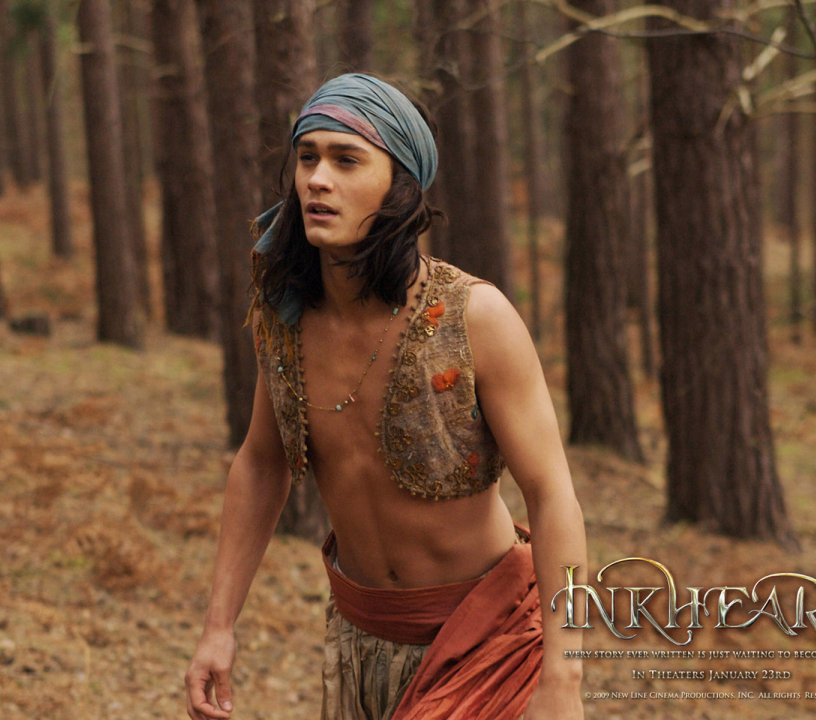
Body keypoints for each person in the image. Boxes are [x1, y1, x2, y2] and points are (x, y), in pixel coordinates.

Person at [185, 73, 586, 720]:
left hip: (489, 641)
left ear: (400, 187)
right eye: (308, 158)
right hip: (359, 644)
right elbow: (260, 464)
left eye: (346, 161)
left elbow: (550, 492)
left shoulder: (475, 316)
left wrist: (563, 676)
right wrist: (218, 628)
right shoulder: (285, 318)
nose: (318, 179)